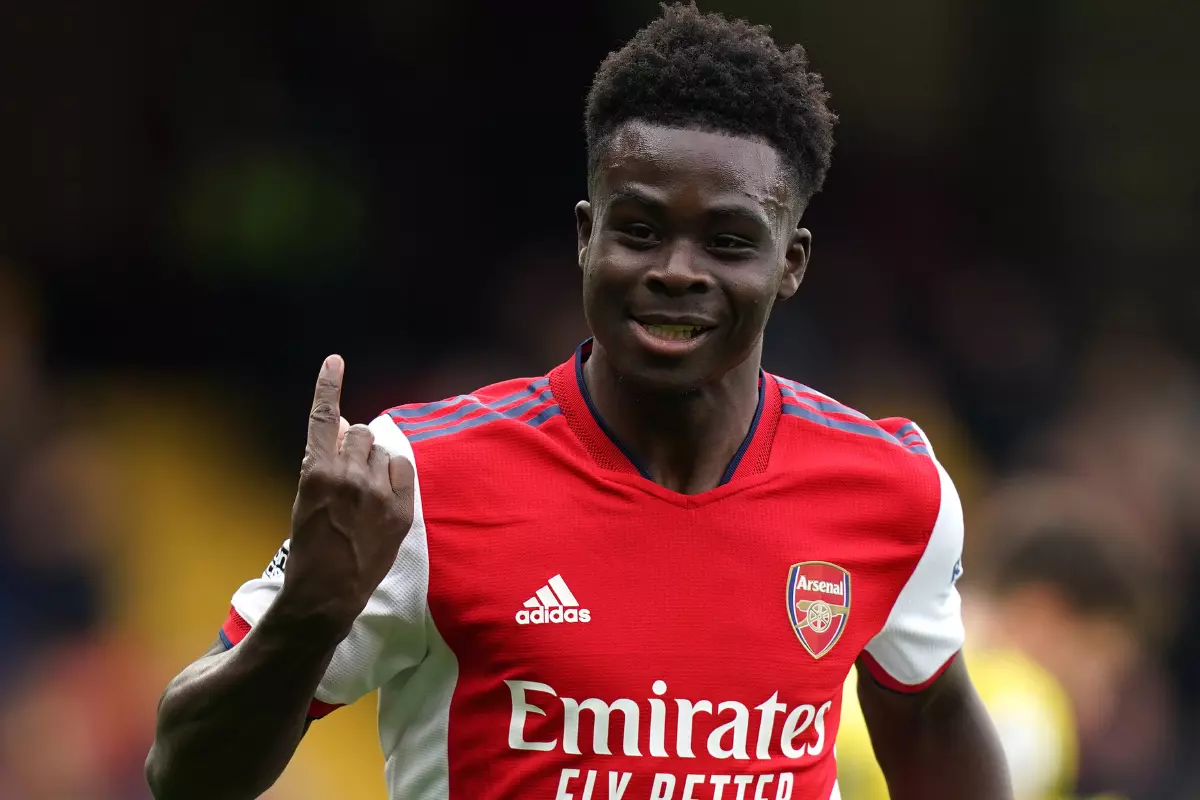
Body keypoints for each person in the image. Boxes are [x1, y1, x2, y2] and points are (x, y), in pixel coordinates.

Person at [145, 5, 1011, 799]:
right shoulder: (415, 480)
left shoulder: (892, 490)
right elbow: (183, 774)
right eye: (638, 230)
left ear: (792, 261)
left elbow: (933, 719)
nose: (677, 269)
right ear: (584, 236)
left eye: (729, 240)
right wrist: (309, 616)